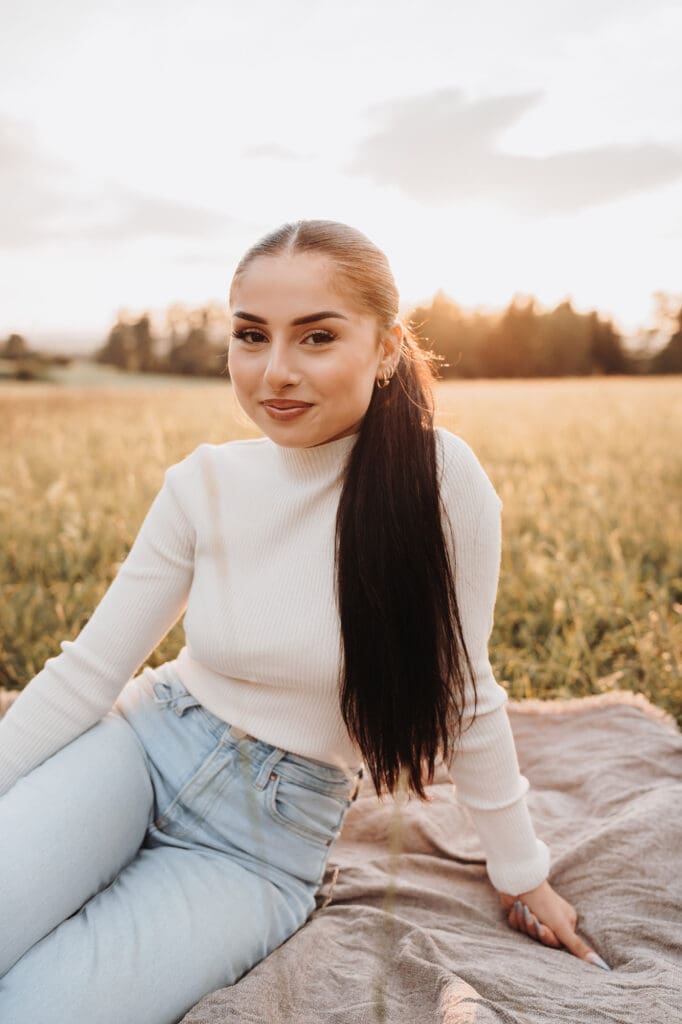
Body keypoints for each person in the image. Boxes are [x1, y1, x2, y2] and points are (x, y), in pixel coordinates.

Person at [0, 219, 610, 1022]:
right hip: (138, 749)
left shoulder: (439, 480)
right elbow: (88, 672)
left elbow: (464, 692)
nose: (275, 372)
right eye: (251, 336)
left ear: (387, 348)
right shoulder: (205, 482)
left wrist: (520, 871)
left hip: (260, 843)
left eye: (316, 337)